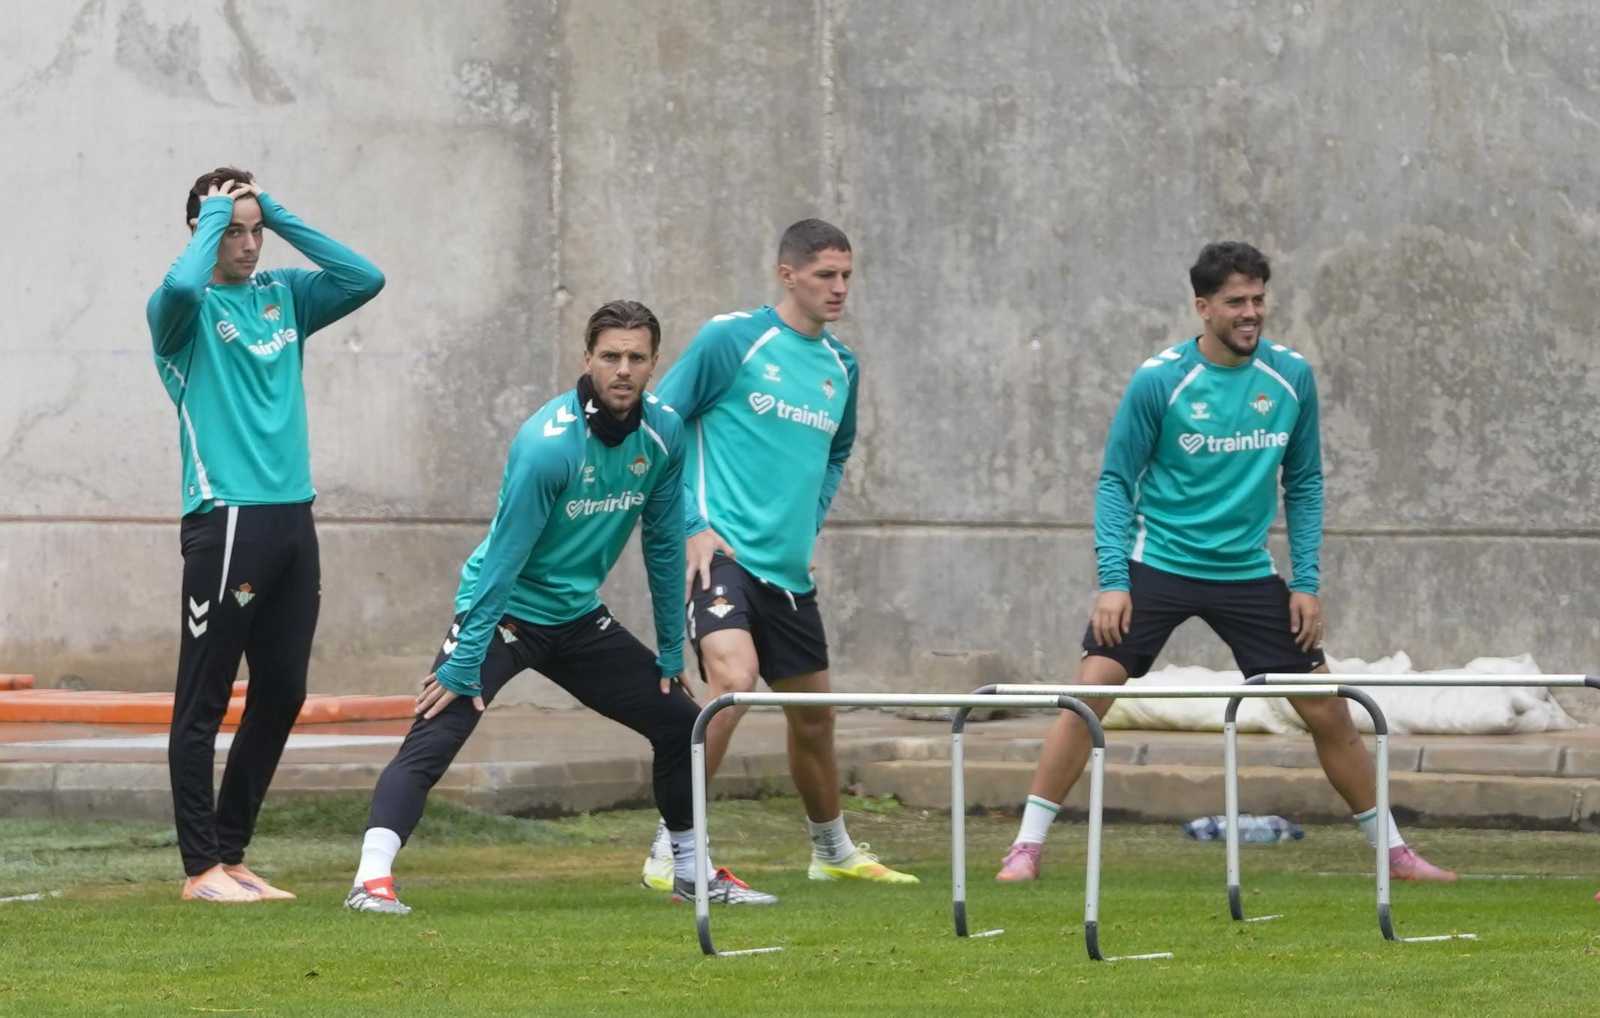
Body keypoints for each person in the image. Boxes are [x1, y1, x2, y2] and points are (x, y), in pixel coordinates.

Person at [995, 241, 1455, 883]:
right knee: (1090, 692)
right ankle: (1026, 848)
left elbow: (1305, 482)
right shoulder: (1159, 380)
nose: (1251, 313)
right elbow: (1115, 482)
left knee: (1328, 709)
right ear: (1203, 307)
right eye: (1236, 301)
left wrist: (1306, 582)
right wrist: (1113, 580)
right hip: (1160, 563)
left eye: (1258, 299)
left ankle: (1395, 853)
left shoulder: (1290, 376)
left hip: (1246, 572)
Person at [345, 301, 777, 914]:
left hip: (575, 616)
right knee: (438, 730)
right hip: (504, 611)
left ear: (654, 363)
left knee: (682, 722)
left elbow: (662, 544)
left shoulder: (663, 433)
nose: (623, 369)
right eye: (610, 356)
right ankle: (370, 881)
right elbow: (503, 558)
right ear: (587, 358)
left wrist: (669, 651)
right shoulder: (546, 446)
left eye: (636, 357)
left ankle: (690, 872)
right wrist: (465, 658)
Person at [639, 219, 917, 892]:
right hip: (720, 558)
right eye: (825, 275)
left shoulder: (842, 367)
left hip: (787, 572)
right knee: (733, 681)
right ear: (787, 275)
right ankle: (671, 851)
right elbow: (655, 426)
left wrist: (806, 525)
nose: (839, 287)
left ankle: (832, 852)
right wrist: (691, 524)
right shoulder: (731, 339)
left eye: (846, 275)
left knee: (815, 721)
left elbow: (838, 453)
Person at [149, 167, 384, 903]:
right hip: (227, 519)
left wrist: (273, 210)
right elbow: (182, 285)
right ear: (203, 234)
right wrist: (214, 215)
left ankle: (231, 852)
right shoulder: (181, 311)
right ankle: (200, 870)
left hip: (292, 518)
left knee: (282, 690)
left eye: (257, 232)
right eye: (233, 232)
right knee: (204, 698)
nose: (249, 245)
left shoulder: (285, 294)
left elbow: (364, 277)